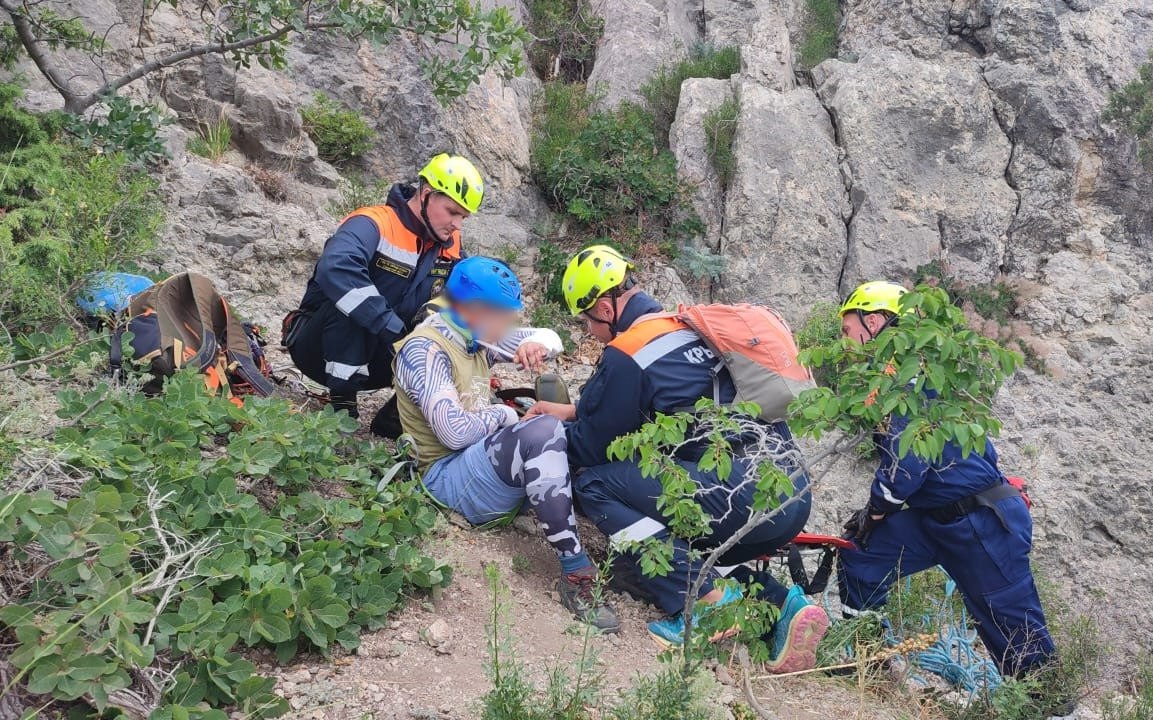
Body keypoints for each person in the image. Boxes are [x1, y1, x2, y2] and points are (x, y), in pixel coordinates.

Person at [527, 245, 829, 674]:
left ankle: (704, 607)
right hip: (789, 492)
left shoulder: (629, 350)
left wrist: (544, 435)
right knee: (687, 535)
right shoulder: (691, 328)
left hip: (736, 492)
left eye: (587, 321)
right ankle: (784, 605)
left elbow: (589, 448)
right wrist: (574, 411)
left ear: (604, 307)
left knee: (595, 483)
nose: (590, 331)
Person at [834, 280, 1057, 678]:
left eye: (847, 328)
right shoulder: (908, 372)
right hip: (936, 518)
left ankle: (1047, 703)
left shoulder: (906, 377)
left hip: (980, 522)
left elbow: (906, 468)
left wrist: (876, 510)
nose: (843, 338)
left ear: (872, 321)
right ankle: (867, 660)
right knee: (861, 555)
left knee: (1013, 628)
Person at [392, 255, 620, 633]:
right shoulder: (425, 350)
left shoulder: (474, 337)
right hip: (447, 479)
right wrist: (505, 415)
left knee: (562, 427)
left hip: (475, 465)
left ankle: (607, 539)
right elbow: (454, 433)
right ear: (477, 309)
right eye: (505, 316)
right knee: (542, 428)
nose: (510, 325)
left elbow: (551, 338)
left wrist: (534, 347)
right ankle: (576, 569)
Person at [284, 153, 483, 438]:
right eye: (452, 211)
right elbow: (336, 269)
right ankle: (342, 403)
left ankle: (395, 418)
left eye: (463, 216)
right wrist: (393, 329)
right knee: (354, 301)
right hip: (318, 347)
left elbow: (462, 298)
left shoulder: (449, 246)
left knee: (453, 325)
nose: (457, 224)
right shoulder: (374, 223)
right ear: (426, 194)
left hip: (382, 355)